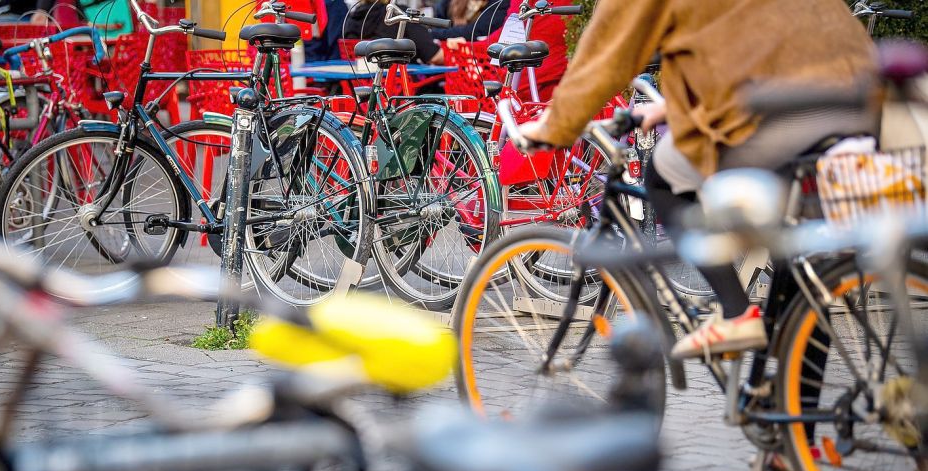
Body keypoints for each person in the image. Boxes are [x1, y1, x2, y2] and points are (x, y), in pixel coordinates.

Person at [518, 0, 878, 359]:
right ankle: (795, 408)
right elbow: (750, 39)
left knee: (663, 172)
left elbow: (608, 52)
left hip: (784, 112)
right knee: (803, 269)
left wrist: (556, 125)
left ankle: (736, 314)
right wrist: (672, 109)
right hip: (861, 95)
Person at [343, 0, 444, 64]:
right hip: (400, 87)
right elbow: (433, 56)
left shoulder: (351, 18)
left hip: (360, 86)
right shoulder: (400, 14)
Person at [430, 0, 507, 41]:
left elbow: (477, 31)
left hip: (478, 56)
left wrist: (433, 33)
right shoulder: (448, 3)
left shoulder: (500, 3)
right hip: (449, 51)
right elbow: (438, 22)